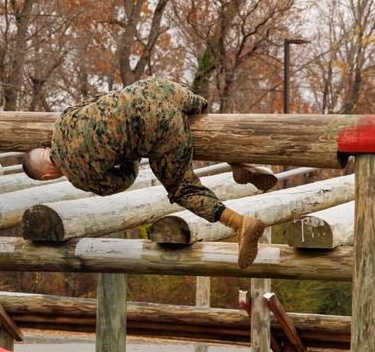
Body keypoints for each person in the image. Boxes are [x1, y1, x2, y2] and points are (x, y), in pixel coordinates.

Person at [22, 76, 277, 269]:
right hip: (156, 87)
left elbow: (123, 181)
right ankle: (239, 165)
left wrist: (129, 154)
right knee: (200, 113)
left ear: (47, 176)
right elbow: (101, 98)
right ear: (46, 148)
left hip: (157, 126)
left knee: (181, 188)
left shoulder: (78, 176)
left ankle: (240, 224)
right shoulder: (63, 120)